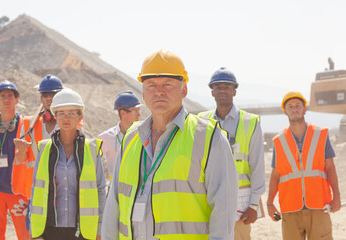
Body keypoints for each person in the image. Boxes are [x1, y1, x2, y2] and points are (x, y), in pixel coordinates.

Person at [101, 49, 238, 240]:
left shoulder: (208, 137)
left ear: (184, 90)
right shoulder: (131, 137)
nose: (159, 91)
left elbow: (224, 214)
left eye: (167, 84)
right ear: (143, 92)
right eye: (151, 85)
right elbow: (113, 205)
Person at [28, 88, 106, 239]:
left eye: (71, 113)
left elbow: (100, 190)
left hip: (83, 231)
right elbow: (36, 190)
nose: (66, 118)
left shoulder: (91, 149)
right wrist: (33, 230)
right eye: (61, 113)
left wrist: (99, 230)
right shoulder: (44, 149)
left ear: (80, 116)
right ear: (55, 116)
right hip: (49, 229)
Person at [198, 67, 265, 240]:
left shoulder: (251, 122)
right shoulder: (201, 121)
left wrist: (254, 205)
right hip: (208, 201)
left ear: (234, 91)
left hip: (240, 204)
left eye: (226, 86)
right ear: (212, 92)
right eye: (217, 86)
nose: (222, 90)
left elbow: (257, 166)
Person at [266, 91, 341, 240]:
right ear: (285, 111)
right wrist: (269, 203)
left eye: (298, 106)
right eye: (290, 106)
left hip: (319, 207)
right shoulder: (279, 141)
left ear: (305, 109)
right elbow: (276, 174)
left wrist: (337, 196)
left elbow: (330, 167)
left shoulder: (320, 134)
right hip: (290, 209)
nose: (294, 109)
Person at [0, 80, 29, 240]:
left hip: (19, 191)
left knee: (25, 234)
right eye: (2, 96)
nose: (6, 99)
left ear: (17, 100)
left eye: (10, 96)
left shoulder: (26, 125)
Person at [14, 74, 63, 200]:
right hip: (36, 190)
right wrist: (22, 150)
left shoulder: (72, 123)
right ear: (41, 98)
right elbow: (21, 159)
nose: (49, 98)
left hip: (62, 189)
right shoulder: (28, 123)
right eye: (45, 95)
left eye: (53, 94)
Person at [98, 91, 141, 181]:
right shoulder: (106, 137)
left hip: (135, 190)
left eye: (139, 111)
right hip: (114, 191)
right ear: (122, 113)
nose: (139, 115)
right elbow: (92, 161)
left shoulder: (143, 135)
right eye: (135, 111)